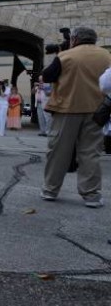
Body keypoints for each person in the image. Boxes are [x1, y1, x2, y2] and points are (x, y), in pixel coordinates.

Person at [41, 27, 111, 208]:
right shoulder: (106, 56)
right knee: (90, 153)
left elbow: (47, 76)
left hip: (67, 109)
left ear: (74, 39)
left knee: (58, 152)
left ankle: (50, 189)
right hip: (96, 110)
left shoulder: (66, 56)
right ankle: (91, 195)